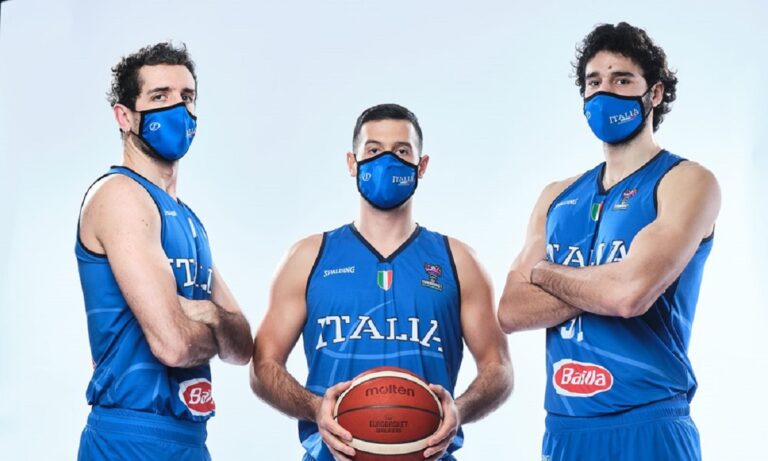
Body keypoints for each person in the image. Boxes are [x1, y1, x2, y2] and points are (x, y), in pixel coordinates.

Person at [497, 22, 720, 461]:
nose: (604, 92)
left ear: (655, 93)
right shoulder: (556, 196)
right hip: (566, 427)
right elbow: (510, 310)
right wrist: (606, 282)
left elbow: (629, 295)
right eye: (593, 82)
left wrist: (543, 273)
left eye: (621, 80)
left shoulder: (686, 182)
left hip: (650, 422)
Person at [250, 103, 513, 461]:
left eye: (401, 151)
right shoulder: (308, 257)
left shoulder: (459, 260)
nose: (387, 162)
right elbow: (263, 366)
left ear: (421, 166)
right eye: (373, 150)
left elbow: (499, 367)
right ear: (352, 162)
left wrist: (460, 410)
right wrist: (315, 408)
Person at [75, 42, 253, 461]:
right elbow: (174, 345)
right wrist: (215, 329)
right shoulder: (120, 195)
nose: (178, 108)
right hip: (129, 437)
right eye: (159, 96)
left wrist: (208, 314)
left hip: (190, 437)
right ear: (125, 117)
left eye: (186, 97)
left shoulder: (188, 219)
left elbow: (244, 347)